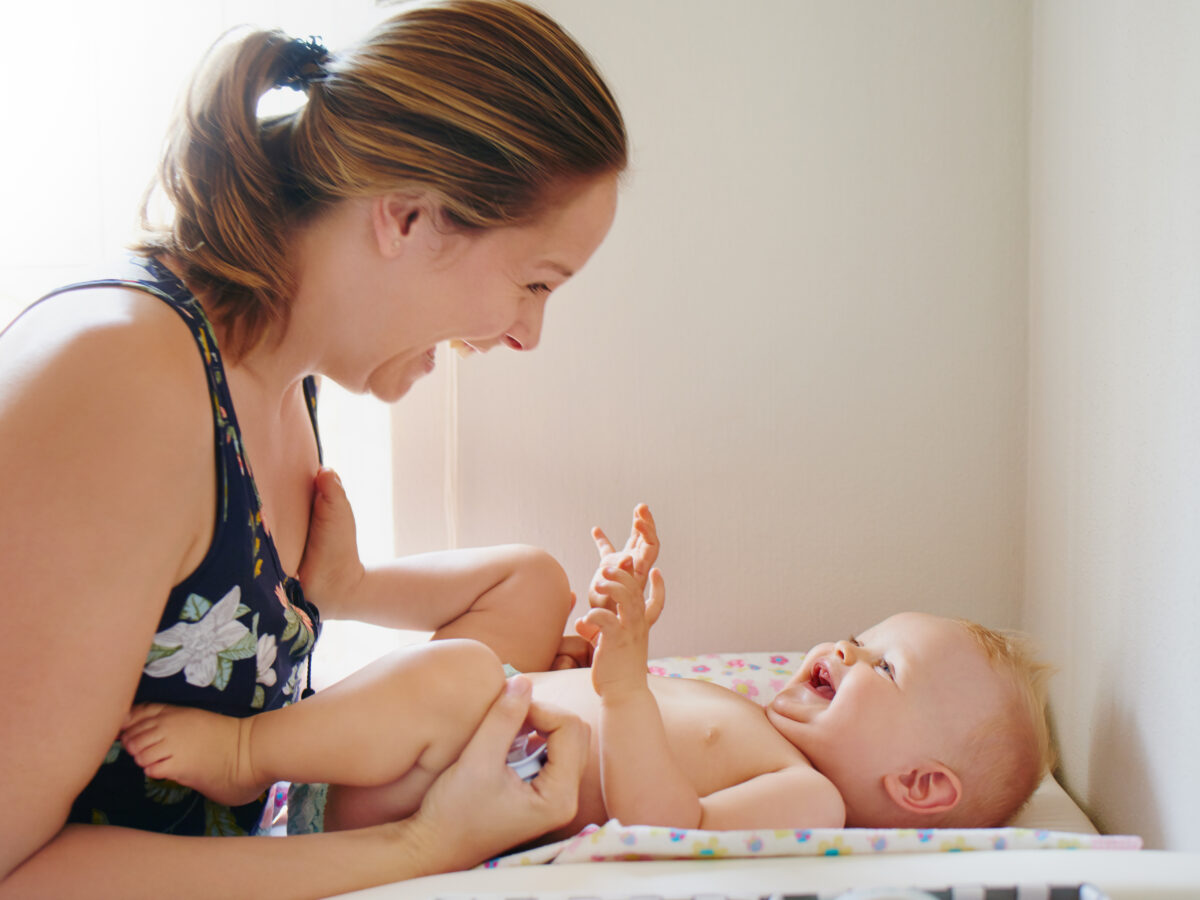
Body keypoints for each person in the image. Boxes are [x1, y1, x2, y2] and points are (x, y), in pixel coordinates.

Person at [0, 1, 627, 896]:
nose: (527, 336)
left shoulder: (280, 378)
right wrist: (418, 849)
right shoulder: (121, 380)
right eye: (534, 283)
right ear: (407, 217)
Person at [119, 501, 1056, 847]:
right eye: (858, 636)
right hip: (457, 727)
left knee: (462, 675)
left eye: (882, 665)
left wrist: (623, 685)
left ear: (920, 785)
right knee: (534, 580)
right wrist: (608, 636)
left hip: (427, 783)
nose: (843, 651)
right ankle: (350, 588)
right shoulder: (762, 723)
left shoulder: (809, 800)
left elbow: (665, 827)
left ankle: (248, 754)